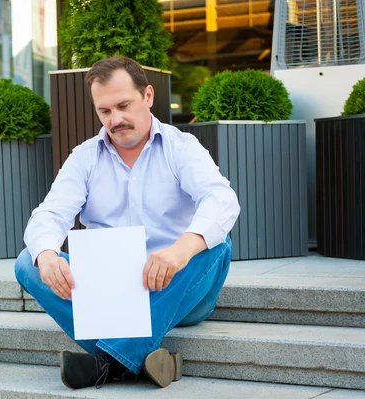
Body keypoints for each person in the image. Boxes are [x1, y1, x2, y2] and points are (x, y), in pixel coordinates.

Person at [14, 56, 240, 390]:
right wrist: (47, 254)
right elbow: (50, 214)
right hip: (111, 292)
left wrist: (180, 250)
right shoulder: (84, 157)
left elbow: (222, 200)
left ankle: (106, 363)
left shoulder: (181, 147)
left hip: (178, 287)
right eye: (104, 111)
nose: (115, 119)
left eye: (124, 105)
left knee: (216, 245)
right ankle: (137, 359)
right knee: (28, 263)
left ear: (148, 96)